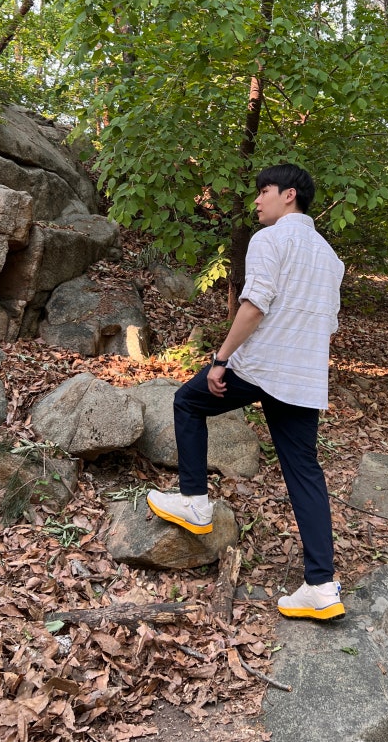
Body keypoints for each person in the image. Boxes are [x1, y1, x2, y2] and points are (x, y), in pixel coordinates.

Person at [147, 163, 346, 620]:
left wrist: (220, 359)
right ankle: (321, 586)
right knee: (304, 473)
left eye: (264, 190)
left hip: (260, 367)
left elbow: (254, 305)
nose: (257, 200)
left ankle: (194, 503)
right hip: (302, 377)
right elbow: (328, 323)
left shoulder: (270, 240)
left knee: (187, 401)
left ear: (289, 194)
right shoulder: (330, 257)